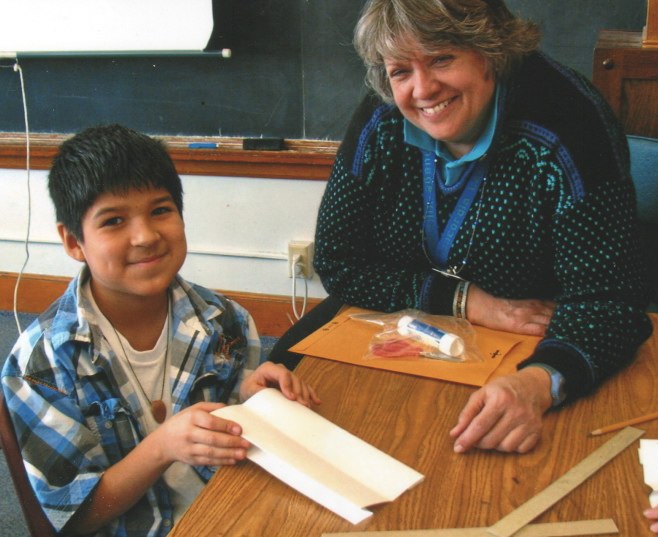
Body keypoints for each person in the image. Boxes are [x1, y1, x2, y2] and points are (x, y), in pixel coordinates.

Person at [270, 0, 652, 457]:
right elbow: (338, 262)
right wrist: (465, 301)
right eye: (400, 71)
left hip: (532, 343)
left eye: (442, 59)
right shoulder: (381, 117)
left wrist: (538, 383)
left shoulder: (572, 125)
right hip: (405, 328)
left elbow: (609, 303)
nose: (423, 89)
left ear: (489, 50)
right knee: (281, 416)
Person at [1, 124, 320, 536]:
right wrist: (162, 446)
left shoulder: (226, 320)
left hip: (230, 511)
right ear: (74, 242)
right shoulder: (41, 363)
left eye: (160, 211)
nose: (145, 236)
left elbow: (235, 430)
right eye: (114, 221)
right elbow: (74, 519)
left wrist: (251, 395)